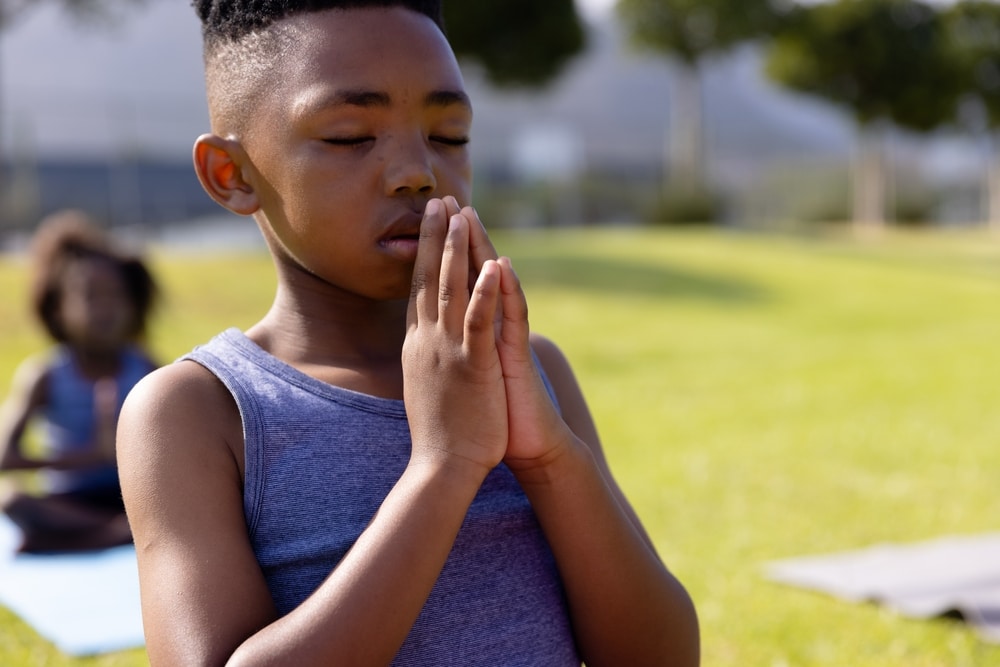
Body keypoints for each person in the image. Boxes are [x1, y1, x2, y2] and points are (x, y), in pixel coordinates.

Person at [117, 1, 699, 665]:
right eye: (349, 136)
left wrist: (548, 460)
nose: (417, 171)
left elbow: (662, 654)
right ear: (233, 174)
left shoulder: (533, 370)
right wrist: (442, 468)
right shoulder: (198, 413)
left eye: (448, 135)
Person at [0, 210, 158, 553]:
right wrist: (87, 457)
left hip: (131, 496)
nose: (105, 309)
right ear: (59, 308)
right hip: (71, 499)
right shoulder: (46, 374)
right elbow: (5, 456)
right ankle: (109, 534)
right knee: (12, 500)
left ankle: (84, 540)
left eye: (115, 296)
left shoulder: (146, 368)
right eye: (91, 296)